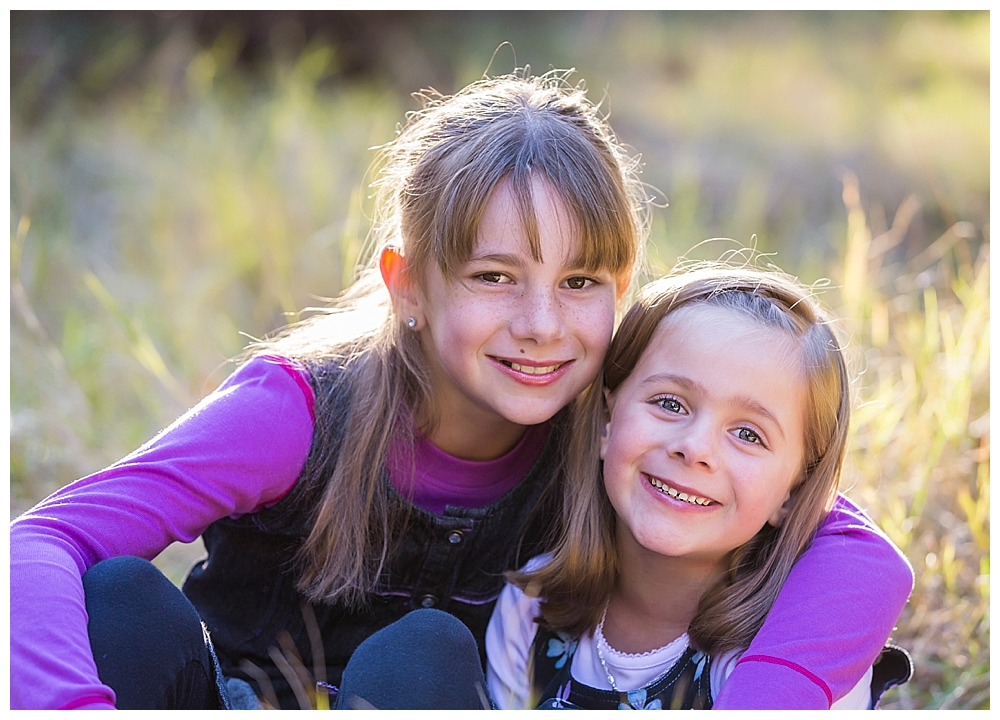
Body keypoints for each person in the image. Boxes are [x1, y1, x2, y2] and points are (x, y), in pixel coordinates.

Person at [9, 71, 912, 711]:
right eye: (493, 276)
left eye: (581, 283)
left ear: (622, 289)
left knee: (426, 654)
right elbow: (43, 539)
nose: (541, 325)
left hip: (417, 700)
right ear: (408, 283)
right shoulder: (298, 412)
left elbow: (859, 555)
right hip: (231, 699)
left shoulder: (608, 428)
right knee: (122, 594)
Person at [485, 267, 912, 710]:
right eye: (670, 404)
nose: (694, 448)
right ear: (606, 423)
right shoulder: (529, 611)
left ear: (791, 492)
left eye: (748, 434)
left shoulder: (790, 651)